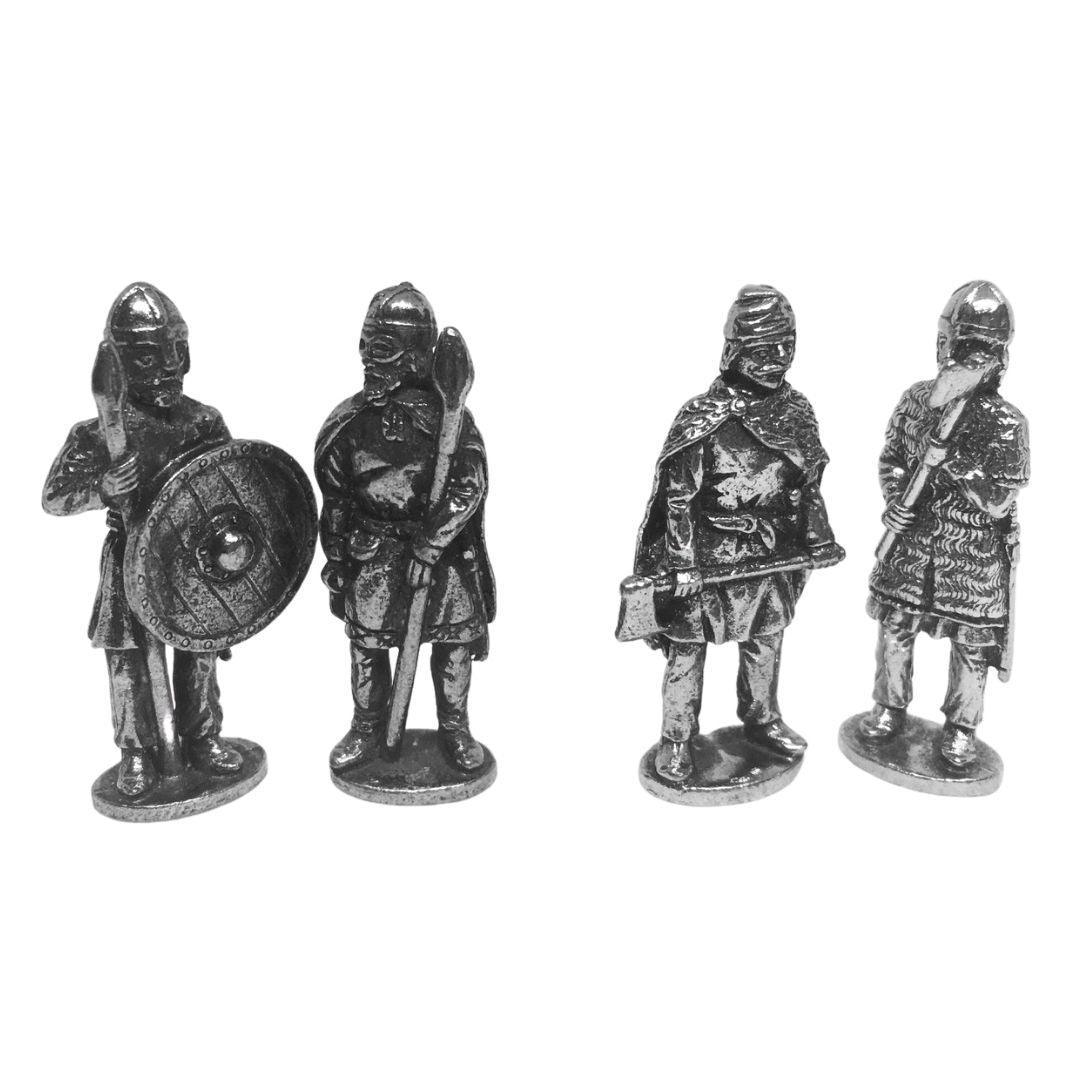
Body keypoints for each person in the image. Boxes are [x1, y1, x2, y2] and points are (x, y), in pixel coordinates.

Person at [633, 285, 838, 783]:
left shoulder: (796, 410)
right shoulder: (704, 417)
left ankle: (762, 720)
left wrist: (817, 538)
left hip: (768, 552)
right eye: (764, 349)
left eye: (787, 344)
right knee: (688, 649)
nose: (778, 358)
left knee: (765, 640)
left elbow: (806, 485)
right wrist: (682, 563)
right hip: (706, 553)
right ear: (736, 351)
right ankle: (677, 736)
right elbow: (677, 500)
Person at [43, 283, 239, 797]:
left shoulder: (203, 423)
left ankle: (202, 738)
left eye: (176, 352)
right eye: (150, 357)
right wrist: (102, 488)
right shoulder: (97, 433)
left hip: (193, 558)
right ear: (123, 364)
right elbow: (55, 497)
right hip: (129, 556)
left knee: (198, 652)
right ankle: (135, 751)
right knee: (127, 660)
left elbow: (233, 490)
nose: (169, 368)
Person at [315, 283, 495, 773]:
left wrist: (430, 545)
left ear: (416, 356)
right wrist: (337, 556)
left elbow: (468, 486)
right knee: (367, 648)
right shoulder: (350, 423)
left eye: (383, 347)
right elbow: (336, 498)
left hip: (440, 553)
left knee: (453, 645)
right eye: (365, 344)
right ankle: (366, 728)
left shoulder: (449, 420)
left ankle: (454, 728)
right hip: (373, 551)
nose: (368, 358)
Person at [862, 281, 1029, 767]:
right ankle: (889, 707)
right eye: (961, 346)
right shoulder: (917, 400)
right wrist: (895, 499)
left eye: (981, 350)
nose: (967, 359)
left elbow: (998, 499)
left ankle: (962, 726)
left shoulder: (1006, 422)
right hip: (913, 540)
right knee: (896, 624)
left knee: (971, 643)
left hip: (972, 552)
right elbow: (893, 459)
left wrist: (953, 461)